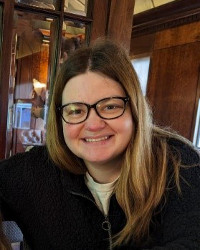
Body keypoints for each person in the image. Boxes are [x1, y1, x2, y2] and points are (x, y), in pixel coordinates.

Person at [0, 39, 200, 250]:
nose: (94, 124)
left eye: (110, 107)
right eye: (76, 111)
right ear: (59, 119)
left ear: (134, 109)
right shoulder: (35, 170)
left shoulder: (180, 165)